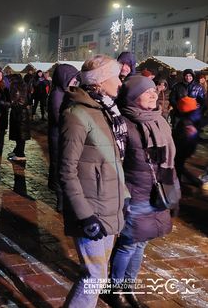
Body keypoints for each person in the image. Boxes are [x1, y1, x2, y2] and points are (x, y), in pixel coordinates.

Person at [59, 55, 128, 308]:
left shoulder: (107, 111)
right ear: (99, 82)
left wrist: (125, 196)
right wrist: (84, 215)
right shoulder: (77, 113)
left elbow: (113, 161)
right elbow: (66, 170)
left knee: (98, 275)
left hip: (109, 203)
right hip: (91, 209)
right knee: (94, 277)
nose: (120, 83)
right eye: (115, 77)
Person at [107, 75, 178, 308]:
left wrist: (172, 191)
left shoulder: (159, 120)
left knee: (142, 243)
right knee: (129, 243)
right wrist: (122, 196)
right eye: (146, 92)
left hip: (156, 191)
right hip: (134, 192)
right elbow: (116, 163)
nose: (153, 94)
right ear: (132, 96)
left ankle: (129, 286)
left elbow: (168, 161)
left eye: (154, 91)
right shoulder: (123, 124)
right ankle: (115, 289)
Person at [47, 63, 79, 212]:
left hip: (62, 135)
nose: (75, 81)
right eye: (72, 78)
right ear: (64, 78)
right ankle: (60, 199)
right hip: (58, 137)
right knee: (60, 166)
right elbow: (58, 118)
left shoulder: (65, 92)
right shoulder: (57, 95)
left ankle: (63, 197)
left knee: (63, 165)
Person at [7, 74, 32, 161]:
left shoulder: (15, 86)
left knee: (20, 135)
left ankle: (20, 154)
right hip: (22, 113)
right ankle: (17, 150)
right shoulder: (23, 85)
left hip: (19, 113)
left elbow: (14, 100)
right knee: (20, 134)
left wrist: (7, 103)